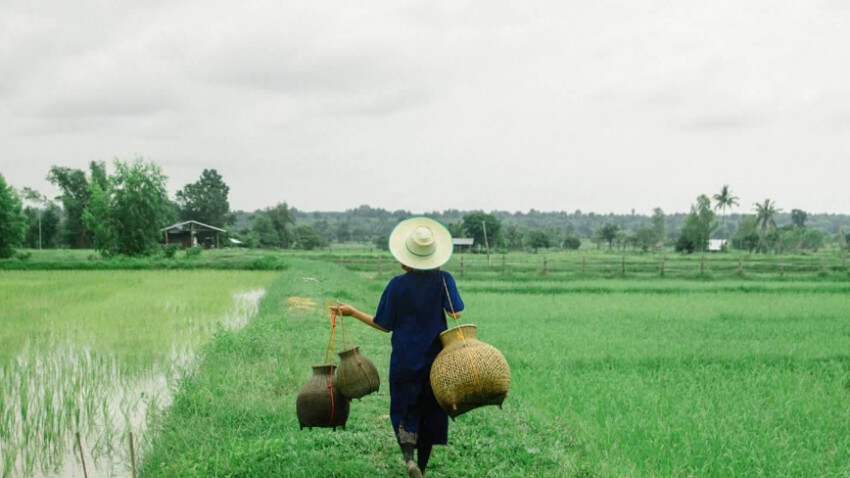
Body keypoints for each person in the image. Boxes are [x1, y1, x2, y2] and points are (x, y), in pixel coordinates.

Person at [332, 217, 463, 478]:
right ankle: (421, 468)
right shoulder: (443, 279)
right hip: (435, 361)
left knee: (405, 409)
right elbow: (456, 313)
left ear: (406, 256)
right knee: (429, 411)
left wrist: (353, 312)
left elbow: (383, 325)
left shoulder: (397, 285)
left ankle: (409, 460)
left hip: (404, 360)